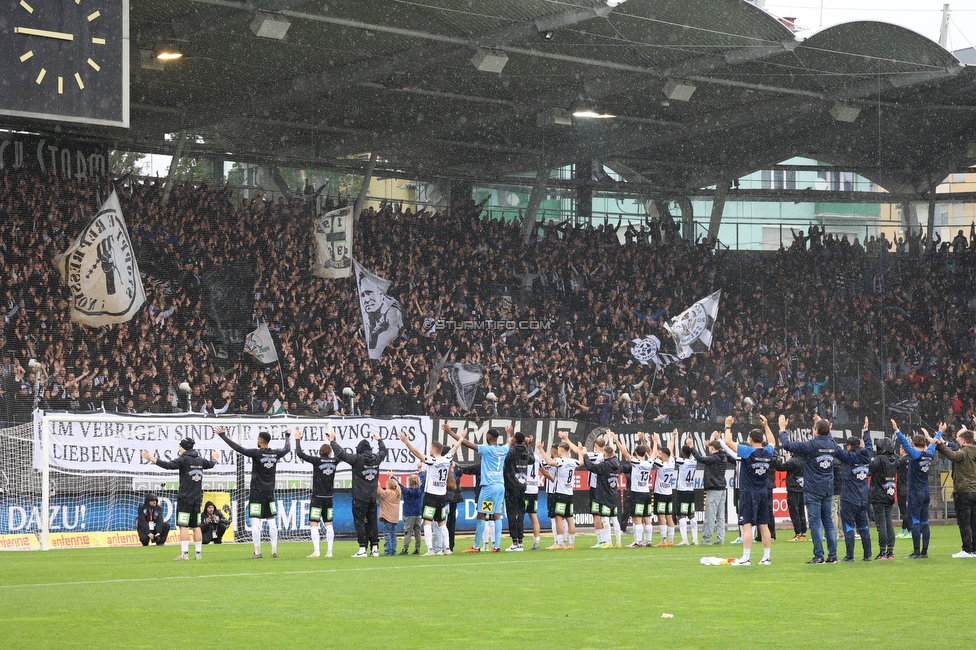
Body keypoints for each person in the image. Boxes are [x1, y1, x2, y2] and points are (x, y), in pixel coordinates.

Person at [216, 426, 292, 558]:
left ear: (261, 441)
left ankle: (257, 551)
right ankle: (274, 551)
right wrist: (287, 436)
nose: (257, 441)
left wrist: (223, 436)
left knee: (255, 521)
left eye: (258, 439)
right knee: (271, 520)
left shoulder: (257, 453)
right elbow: (287, 449)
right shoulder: (275, 453)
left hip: (257, 491)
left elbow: (238, 448)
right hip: (270, 492)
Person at [140, 437, 219, 560]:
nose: (179, 448)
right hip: (197, 499)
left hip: (185, 499)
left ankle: (185, 554)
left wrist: (151, 458)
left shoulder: (184, 459)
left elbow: (168, 465)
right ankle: (198, 554)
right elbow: (211, 464)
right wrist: (215, 457)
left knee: (183, 526)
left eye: (180, 446)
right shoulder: (199, 460)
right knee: (196, 526)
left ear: (184, 447)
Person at [779, 414, 839, 564]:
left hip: (813, 489)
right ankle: (833, 556)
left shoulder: (811, 445)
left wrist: (782, 429)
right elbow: (828, 435)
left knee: (815, 523)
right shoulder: (832, 444)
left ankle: (819, 555)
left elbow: (788, 445)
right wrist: (822, 423)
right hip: (828, 488)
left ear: (816, 431)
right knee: (829, 523)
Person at [398, 424, 467, 555]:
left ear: (434, 449)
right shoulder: (447, 459)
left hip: (431, 496)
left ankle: (430, 549)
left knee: (427, 522)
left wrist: (406, 442)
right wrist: (462, 437)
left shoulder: (432, 460)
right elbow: (455, 448)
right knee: (442, 522)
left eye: (430, 448)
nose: (429, 450)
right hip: (442, 496)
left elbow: (417, 453)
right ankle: (447, 549)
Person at [446, 425, 511, 553]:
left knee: (482, 514)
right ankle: (496, 546)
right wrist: (509, 433)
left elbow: (467, 443)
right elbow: (509, 442)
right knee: (497, 514)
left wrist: (450, 432)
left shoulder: (487, 449)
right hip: (500, 487)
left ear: (488, 437)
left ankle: (476, 546)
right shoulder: (503, 449)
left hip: (488, 488)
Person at [725, 415, 775, 566]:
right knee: (764, 526)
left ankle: (746, 557)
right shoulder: (767, 452)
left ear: (751, 439)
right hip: (762, 493)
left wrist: (728, 426)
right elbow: (773, 441)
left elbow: (728, 442)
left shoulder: (748, 451)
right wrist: (766, 426)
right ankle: (766, 557)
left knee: (747, 525)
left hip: (748, 493)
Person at [331, 430, 388, 557]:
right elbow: (384, 452)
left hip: (360, 497)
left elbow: (341, 454)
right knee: (372, 522)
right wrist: (379, 440)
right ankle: (375, 548)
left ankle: (362, 548)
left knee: (359, 522)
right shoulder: (376, 458)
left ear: (359, 450)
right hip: (373, 496)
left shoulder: (357, 459)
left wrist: (332, 442)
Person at [893, 418, 939, 559]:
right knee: (925, 522)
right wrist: (939, 434)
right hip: (926, 492)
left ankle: (916, 551)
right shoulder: (929, 454)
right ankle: (924, 551)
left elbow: (904, 444)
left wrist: (897, 430)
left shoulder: (915, 455)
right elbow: (933, 444)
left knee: (915, 522)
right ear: (924, 444)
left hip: (915, 493)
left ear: (913, 444)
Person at [932, 425, 976, 558]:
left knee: (964, 522)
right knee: (974, 522)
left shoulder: (965, 451)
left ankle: (967, 549)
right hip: (975, 491)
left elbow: (953, 455)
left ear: (963, 441)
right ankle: (974, 549)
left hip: (963, 491)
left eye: (958, 439)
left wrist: (940, 445)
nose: (957, 441)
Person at [833, 417, 873, 562]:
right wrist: (866, 431)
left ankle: (850, 555)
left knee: (849, 527)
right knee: (863, 528)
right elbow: (869, 445)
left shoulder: (847, 456)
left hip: (849, 498)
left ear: (849, 446)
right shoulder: (867, 455)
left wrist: (828, 433)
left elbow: (835, 449)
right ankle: (867, 555)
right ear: (859, 444)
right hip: (863, 498)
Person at [294, 430, 338, 558]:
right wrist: (333, 441)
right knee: (329, 524)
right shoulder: (335, 461)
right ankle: (329, 552)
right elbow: (341, 454)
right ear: (330, 452)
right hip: (329, 497)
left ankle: (317, 551)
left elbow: (300, 454)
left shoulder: (317, 460)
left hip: (317, 497)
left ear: (320, 452)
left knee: (314, 523)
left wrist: (297, 440)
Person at [579, 431, 621, 549]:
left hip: (597, 488)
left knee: (598, 515)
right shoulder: (612, 459)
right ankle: (617, 541)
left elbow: (585, 461)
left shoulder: (594, 455)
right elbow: (612, 451)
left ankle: (602, 540)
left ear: (595, 446)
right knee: (613, 516)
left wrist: (581, 450)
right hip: (611, 489)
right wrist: (610, 438)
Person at [536, 433, 578, 550]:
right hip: (567, 492)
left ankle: (559, 542)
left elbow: (543, 465)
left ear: (556, 450)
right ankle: (567, 542)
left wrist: (540, 449)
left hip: (555, 492)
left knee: (556, 518)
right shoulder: (570, 461)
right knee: (567, 517)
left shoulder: (556, 461)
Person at [691, 433, 732, 545]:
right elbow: (718, 452)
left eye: (709, 447)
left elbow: (701, 458)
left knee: (710, 515)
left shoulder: (714, 458)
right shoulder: (723, 456)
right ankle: (720, 539)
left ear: (712, 448)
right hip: (722, 489)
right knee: (720, 517)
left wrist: (692, 447)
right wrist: (710, 443)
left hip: (714, 489)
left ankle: (707, 539)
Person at [618, 433, 656, 547]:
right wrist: (655, 442)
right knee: (647, 518)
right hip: (647, 492)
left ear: (635, 453)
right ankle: (648, 541)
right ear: (645, 453)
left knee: (637, 518)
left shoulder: (636, 463)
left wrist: (616, 440)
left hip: (637, 493)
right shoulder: (649, 463)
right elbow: (653, 454)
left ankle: (638, 542)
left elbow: (624, 452)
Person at [869, 434, 899, 560]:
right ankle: (890, 551)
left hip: (878, 494)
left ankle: (882, 552)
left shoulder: (879, 459)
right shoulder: (896, 459)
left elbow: (869, 469)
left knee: (881, 524)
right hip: (890, 493)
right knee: (889, 523)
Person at [502, 431, 533, 551]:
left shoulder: (512, 451)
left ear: (514, 440)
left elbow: (505, 457)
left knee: (511, 514)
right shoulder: (526, 450)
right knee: (520, 514)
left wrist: (508, 439)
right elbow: (532, 460)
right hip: (522, 486)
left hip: (511, 486)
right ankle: (520, 541)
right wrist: (529, 446)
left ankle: (514, 542)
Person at [771, 450, 807, 542]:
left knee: (794, 512)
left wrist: (778, 458)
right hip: (802, 488)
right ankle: (803, 533)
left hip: (793, 489)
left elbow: (780, 468)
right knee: (801, 511)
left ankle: (798, 533)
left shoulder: (793, 461)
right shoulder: (805, 461)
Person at [652, 432, 677, 546]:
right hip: (669, 493)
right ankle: (671, 541)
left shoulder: (660, 464)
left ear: (664, 455)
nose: (658, 454)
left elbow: (651, 455)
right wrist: (673, 437)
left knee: (661, 516)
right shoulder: (671, 462)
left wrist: (655, 442)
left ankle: (663, 540)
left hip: (660, 493)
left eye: (660, 453)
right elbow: (670, 449)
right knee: (669, 516)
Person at [675, 437, 699, 546]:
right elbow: (693, 453)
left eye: (681, 451)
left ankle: (685, 540)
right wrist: (691, 444)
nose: (680, 453)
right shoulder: (693, 461)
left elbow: (669, 456)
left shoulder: (682, 461)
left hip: (682, 491)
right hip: (691, 491)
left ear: (684, 453)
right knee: (692, 515)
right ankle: (695, 539)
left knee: (681, 515)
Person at [523, 436, 544, 551]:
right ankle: (536, 541)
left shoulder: (523, 456)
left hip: (525, 489)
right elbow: (542, 470)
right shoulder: (536, 457)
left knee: (519, 515)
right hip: (534, 490)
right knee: (534, 516)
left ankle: (518, 542)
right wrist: (550, 478)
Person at [377, 473, 402, 556]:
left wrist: (377, 483)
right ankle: (393, 551)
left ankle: (388, 551)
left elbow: (379, 491)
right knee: (393, 535)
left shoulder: (388, 493)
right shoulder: (397, 493)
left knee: (387, 534)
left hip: (388, 517)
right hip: (395, 517)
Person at [400, 473, 424, 555]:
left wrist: (391, 476)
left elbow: (399, 485)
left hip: (409, 514)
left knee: (408, 531)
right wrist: (421, 473)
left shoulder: (407, 491)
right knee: (417, 531)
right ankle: (417, 548)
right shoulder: (420, 491)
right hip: (417, 513)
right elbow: (424, 481)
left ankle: (405, 549)